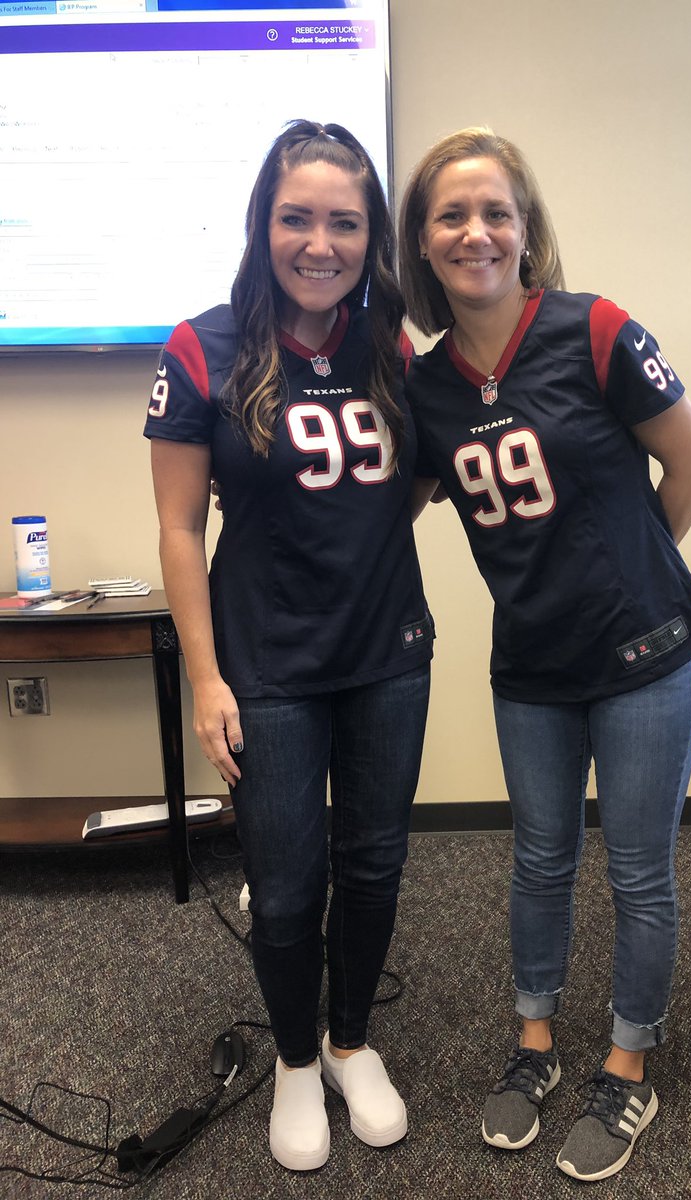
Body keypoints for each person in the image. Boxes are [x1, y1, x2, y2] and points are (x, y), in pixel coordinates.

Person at [398, 127, 691, 1183]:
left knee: (637, 869)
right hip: (532, 668)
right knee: (539, 860)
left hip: (645, 658)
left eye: (496, 211)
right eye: (451, 215)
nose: (476, 232)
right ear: (422, 242)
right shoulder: (426, 386)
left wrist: (629, 573)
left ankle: (629, 1065)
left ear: (526, 227)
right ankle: (535, 1041)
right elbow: (392, 504)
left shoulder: (596, 329)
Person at [144, 120, 433, 1173]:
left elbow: (415, 481)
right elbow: (180, 528)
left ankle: (351, 1041)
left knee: (375, 862)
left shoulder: (392, 345)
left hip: (387, 652)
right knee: (286, 879)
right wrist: (205, 678)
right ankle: (297, 1060)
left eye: (345, 222)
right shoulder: (202, 347)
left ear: (371, 237)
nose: (321, 242)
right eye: (297, 218)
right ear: (263, 225)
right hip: (263, 665)